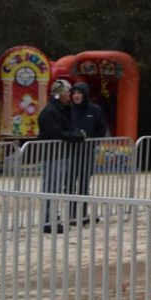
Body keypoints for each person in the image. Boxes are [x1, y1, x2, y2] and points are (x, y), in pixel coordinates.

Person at [37, 79, 83, 232]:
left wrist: (74, 133)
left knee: (55, 188)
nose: (69, 96)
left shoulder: (62, 109)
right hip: (53, 155)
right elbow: (55, 133)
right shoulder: (50, 111)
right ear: (61, 94)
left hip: (60, 154)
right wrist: (72, 136)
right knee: (51, 188)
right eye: (67, 93)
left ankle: (52, 218)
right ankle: (48, 220)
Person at [66, 82, 110, 221]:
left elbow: (101, 128)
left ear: (85, 94)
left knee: (84, 184)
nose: (76, 96)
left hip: (87, 152)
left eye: (79, 93)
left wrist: (94, 142)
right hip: (70, 152)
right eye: (74, 93)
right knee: (70, 183)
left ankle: (83, 214)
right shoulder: (68, 109)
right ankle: (72, 214)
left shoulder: (95, 109)